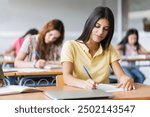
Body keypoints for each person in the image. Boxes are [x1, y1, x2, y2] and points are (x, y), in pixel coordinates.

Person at [61, 6, 135, 90]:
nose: (100, 32)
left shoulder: (108, 48)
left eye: (106, 29)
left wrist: (126, 79)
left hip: (104, 96)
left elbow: (121, 75)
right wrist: (84, 84)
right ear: (90, 24)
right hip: (77, 94)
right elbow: (67, 77)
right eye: (97, 26)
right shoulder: (70, 46)